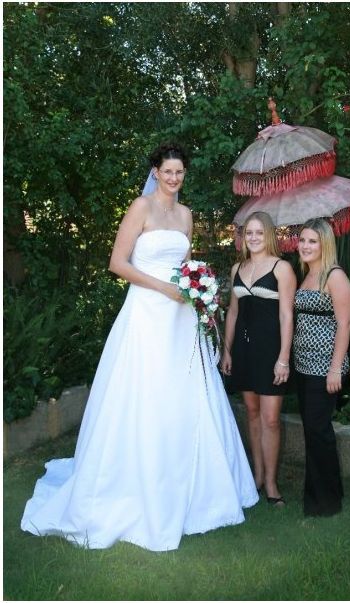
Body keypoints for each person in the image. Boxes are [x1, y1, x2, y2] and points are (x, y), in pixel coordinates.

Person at [21, 142, 259, 551]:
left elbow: (185, 265)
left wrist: (195, 287)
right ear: (155, 172)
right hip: (147, 312)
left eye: (179, 172)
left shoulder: (186, 214)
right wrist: (163, 288)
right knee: (146, 390)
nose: (173, 178)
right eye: (167, 172)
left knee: (186, 393)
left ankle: (198, 485)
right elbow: (118, 263)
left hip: (181, 317)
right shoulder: (140, 207)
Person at [222, 212, 296, 506]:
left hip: (271, 351)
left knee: (271, 419)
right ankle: (257, 476)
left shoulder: (282, 268)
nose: (253, 238)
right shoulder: (237, 268)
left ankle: (272, 484)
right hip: (243, 350)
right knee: (252, 413)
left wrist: (284, 358)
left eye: (259, 232)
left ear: (269, 236)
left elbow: (287, 315)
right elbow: (233, 312)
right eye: (248, 233)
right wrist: (227, 350)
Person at [293, 218, 350, 517]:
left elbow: (345, 323)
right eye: (303, 240)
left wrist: (334, 369)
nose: (305, 246)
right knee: (313, 430)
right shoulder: (307, 274)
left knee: (319, 431)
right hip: (303, 365)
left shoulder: (334, 275)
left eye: (312, 241)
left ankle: (326, 503)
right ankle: (327, 492)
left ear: (325, 244)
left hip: (325, 368)